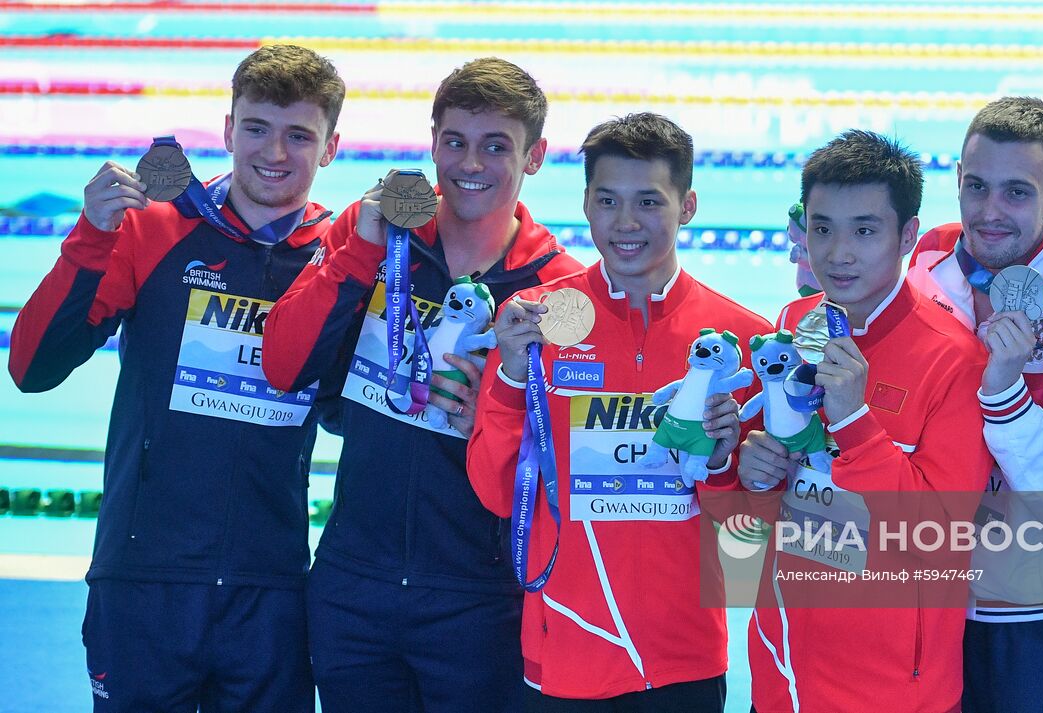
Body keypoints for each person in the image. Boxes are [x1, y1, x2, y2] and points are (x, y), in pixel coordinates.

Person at [8, 45, 343, 712]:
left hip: (268, 590)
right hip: (145, 579)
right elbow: (33, 367)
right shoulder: (152, 229)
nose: (273, 151)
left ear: (331, 147)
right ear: (227, 131)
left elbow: (348, 411)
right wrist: (89, 236)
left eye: (299, 134)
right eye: (256, 127)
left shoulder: (338, 261)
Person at [261, 57, 582, 712]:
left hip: (478, 600)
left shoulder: (561, 292)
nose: (471, 163)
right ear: (432, 141)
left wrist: (494, 422)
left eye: (497, 146)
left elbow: (568, 469)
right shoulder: (375, 233)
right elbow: (284, 366)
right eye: (456, 141)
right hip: (354, 586)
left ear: (535, 156)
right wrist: (358, 251)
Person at [467, 112, 771, 711]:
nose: (626, 223)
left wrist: (720, 463)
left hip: (682, 658)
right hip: (565, 649)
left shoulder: (739, 341)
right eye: (608, 200)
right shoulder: (537, 320)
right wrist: (508, 376)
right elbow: (498, 491)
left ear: (687, 206)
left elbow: (749, 543)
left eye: (648, 202)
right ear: (585, 203)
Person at [738, 130, 993, 713]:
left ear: (907, 235)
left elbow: (934, 537)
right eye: (822, 228)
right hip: (783, 680)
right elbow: (748, 521)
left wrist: (854, 421)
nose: (837, 252)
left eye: (864, 230)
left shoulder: (954, 360)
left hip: (893, 694)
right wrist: (746, 469)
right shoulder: (790, 325)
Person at [905, 97, 1043, 713]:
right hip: (925, 603)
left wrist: (1005, 393)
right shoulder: (928, 258)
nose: (989, 212)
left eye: (1016, 192)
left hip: (1035, 622)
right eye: (975, 187)